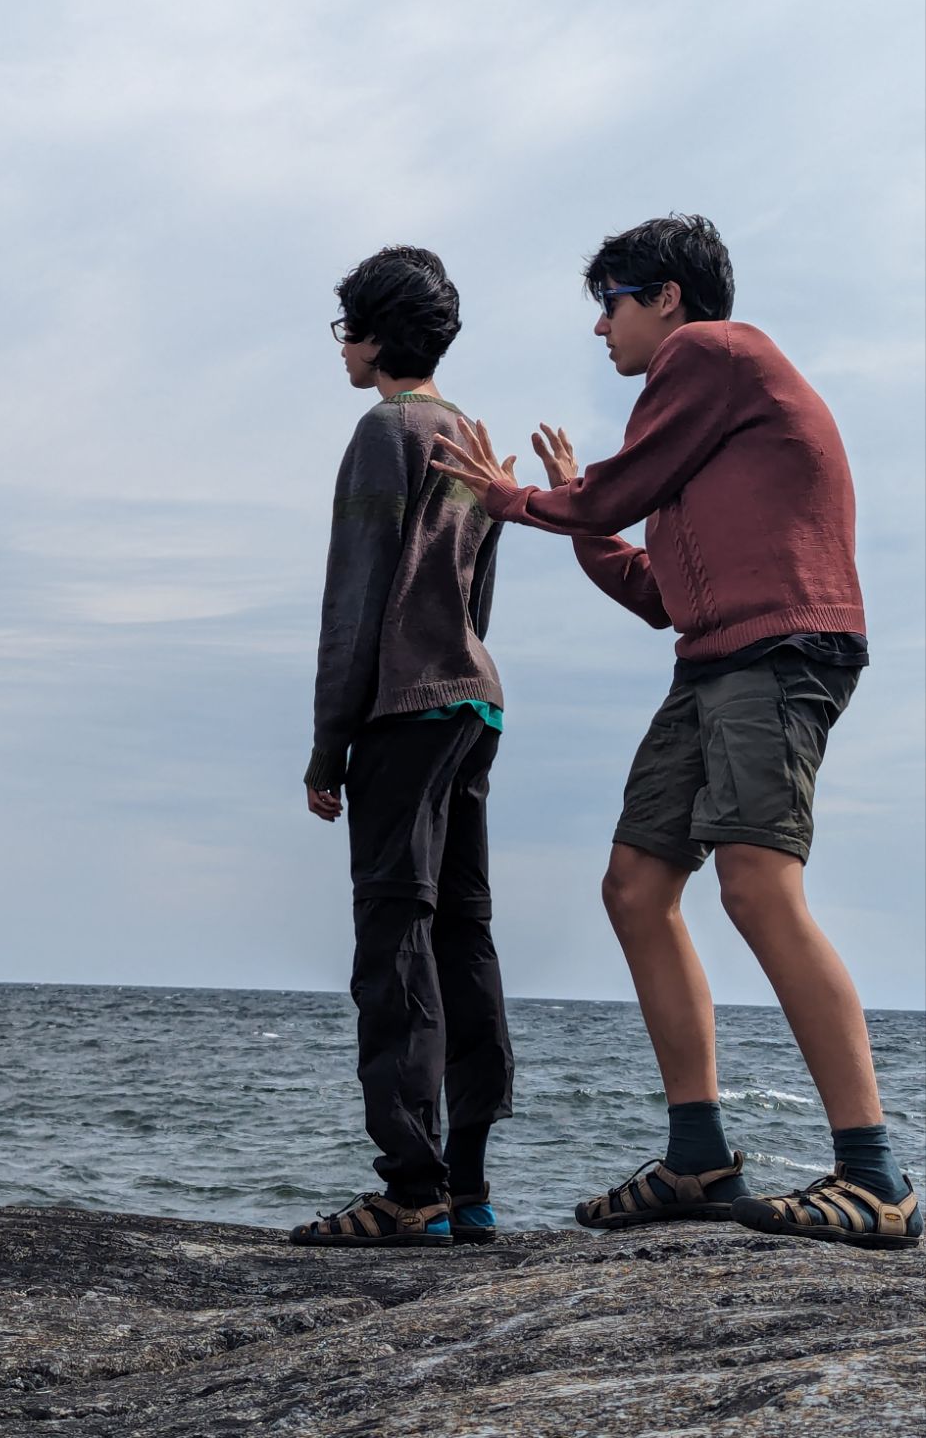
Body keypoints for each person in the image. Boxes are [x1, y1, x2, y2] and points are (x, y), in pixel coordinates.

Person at [435, 213, 920, 1249]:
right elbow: (660, 592)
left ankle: (876, 1175)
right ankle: (698, 1154)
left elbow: (613, 489)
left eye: (609, 302)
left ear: (666, 298)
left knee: (756, 883)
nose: (600, 326)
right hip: (711, 659)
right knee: (636, 887)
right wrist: (582, 514)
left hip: (779, 651)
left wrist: (523, 498)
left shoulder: (713, 352)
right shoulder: (703, 430)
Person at [289, 246, 513, 1249]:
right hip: (473, 704)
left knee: (394, 939)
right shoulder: (470, 435)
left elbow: (357, 595)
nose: (343, 348)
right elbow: (477, 595)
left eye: (348, 330)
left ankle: (411, 1187)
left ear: (377, 335)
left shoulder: (387, 431)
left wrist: (326, 746)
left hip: (405, 711)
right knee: (463, 934)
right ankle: (469, 1186)